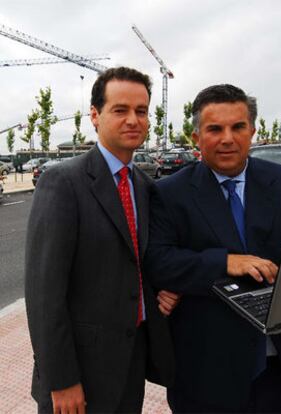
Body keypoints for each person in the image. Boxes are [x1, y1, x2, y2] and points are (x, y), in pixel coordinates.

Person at [145, 84, 281, 413]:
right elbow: (159, 261)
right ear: (196, 136)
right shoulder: (169, 194)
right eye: (214, 128)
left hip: (280, 366)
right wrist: (225, 262)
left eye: (237, 127)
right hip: (204, 373)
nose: (227, 138)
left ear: (252, 131)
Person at [25, 67, 179, 414]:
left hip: (129, 363)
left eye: (141, 111)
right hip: (79, 373)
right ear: (95, 115)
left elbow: (136, 260)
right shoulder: (62, 182)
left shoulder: (144, 186)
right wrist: (61, 379)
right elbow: (43, 294)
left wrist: (163, 289)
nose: (133, 120)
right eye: (120, 109)